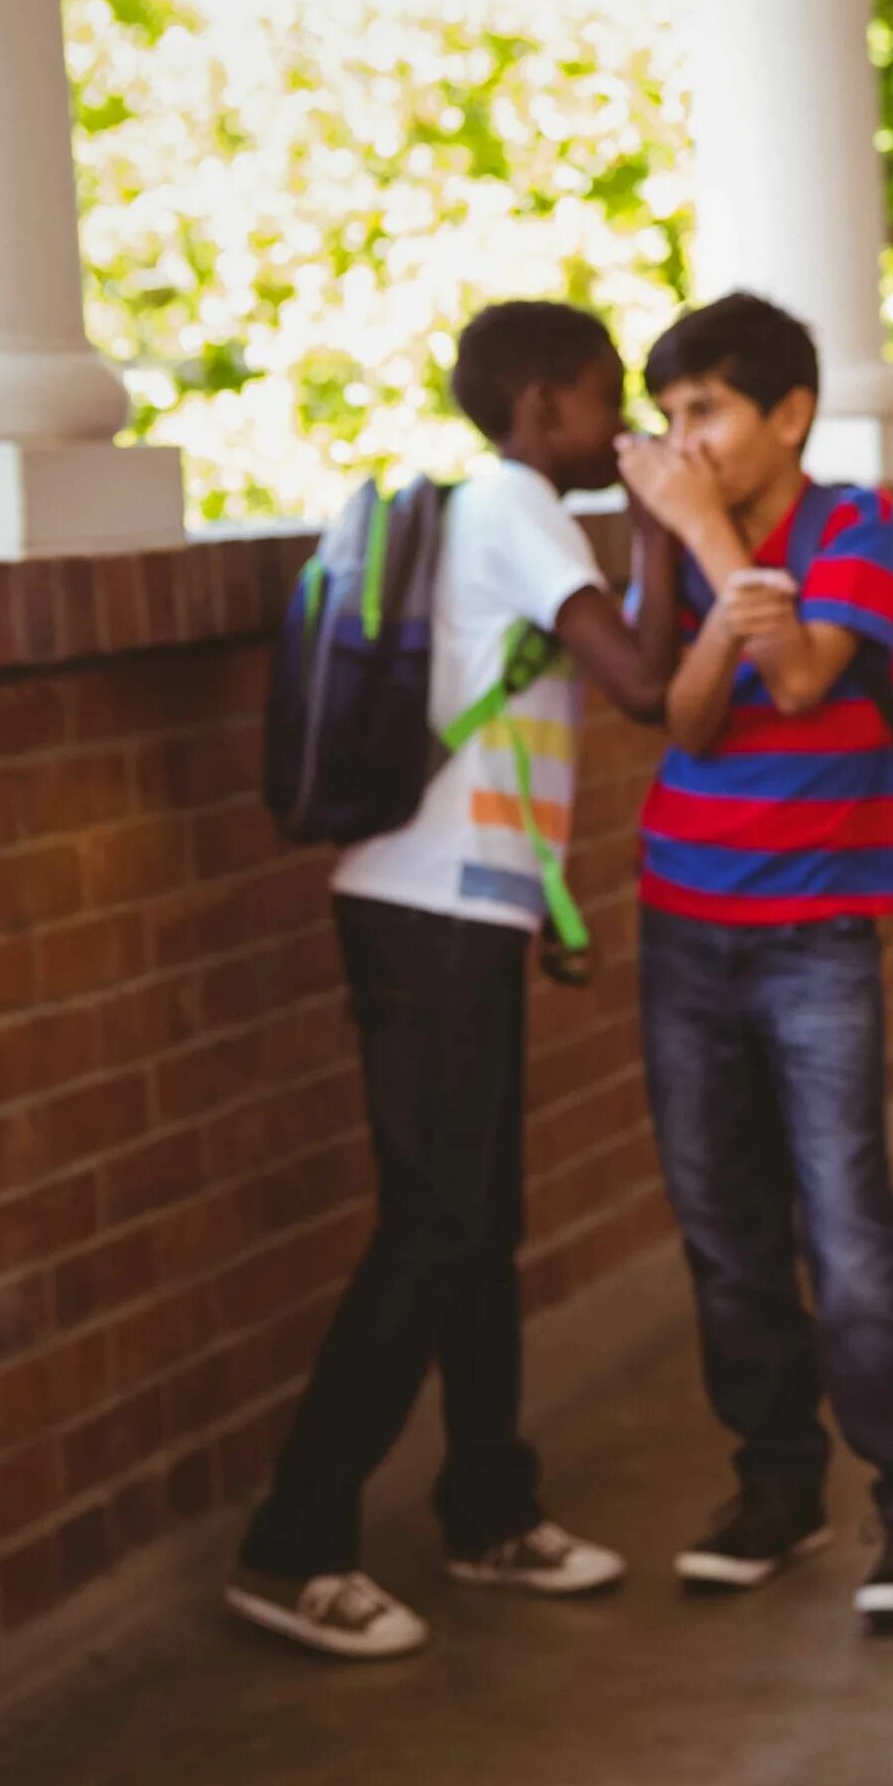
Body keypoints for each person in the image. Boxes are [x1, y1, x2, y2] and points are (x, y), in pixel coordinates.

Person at [226, 301, 680, 1660]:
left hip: (452, 912)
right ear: (542, 404)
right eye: (609, 402)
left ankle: (490, 1511)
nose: (625, 429)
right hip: (425, 921)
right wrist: (660, 510)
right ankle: (291, 1544)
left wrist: (541, 906)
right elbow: (646, 683)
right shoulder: (521, 500)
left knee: (480, 1220)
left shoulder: (508, 510)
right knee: (434, 1224)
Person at [622, 291, 893, 1627]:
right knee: (723, 1228)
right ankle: (775, 1483)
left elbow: (815, 672)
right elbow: (692, 717)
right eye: (669, 420)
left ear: (789, 415)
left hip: (816, 935)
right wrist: (716, 594)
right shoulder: (692, 552)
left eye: (704, 412)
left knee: (850, 1222)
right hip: (685, 927)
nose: (683, 443)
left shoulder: (858, 531)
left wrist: (706, 541)